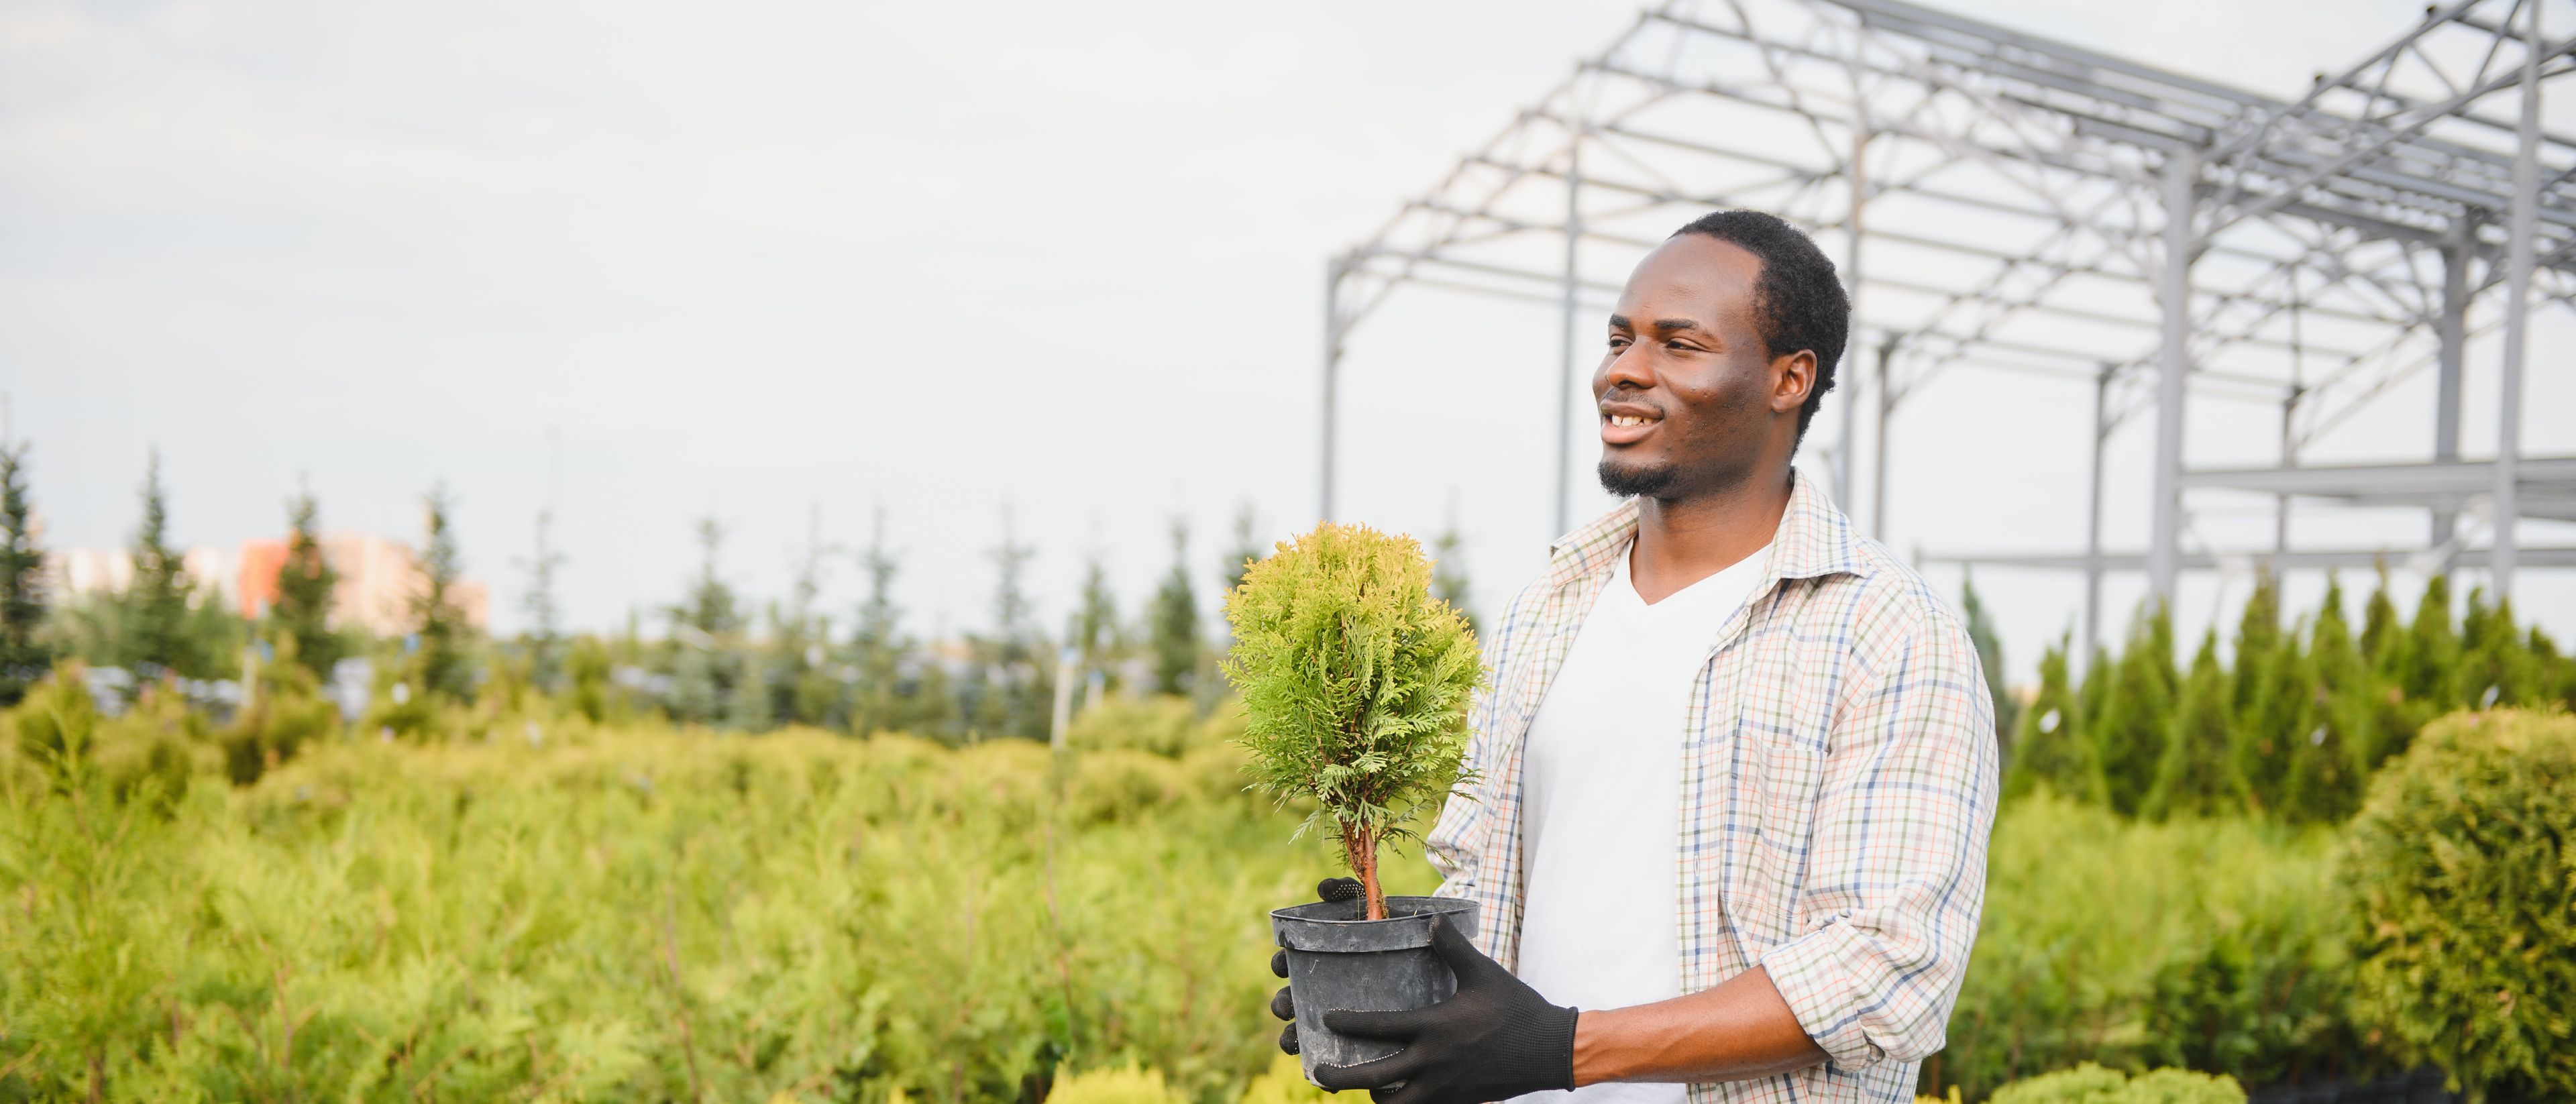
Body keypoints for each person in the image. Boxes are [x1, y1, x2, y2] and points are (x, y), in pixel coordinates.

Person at [1267, 210, 1998, 1104]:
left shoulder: (1887, 631)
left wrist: (1566, 1048)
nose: (1623, 370)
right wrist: (1391, 946)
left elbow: (1886, 969)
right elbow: (1485, 875)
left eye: (1679, 344)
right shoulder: (1550, 605)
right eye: (1619, 339)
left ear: (1788, 379)